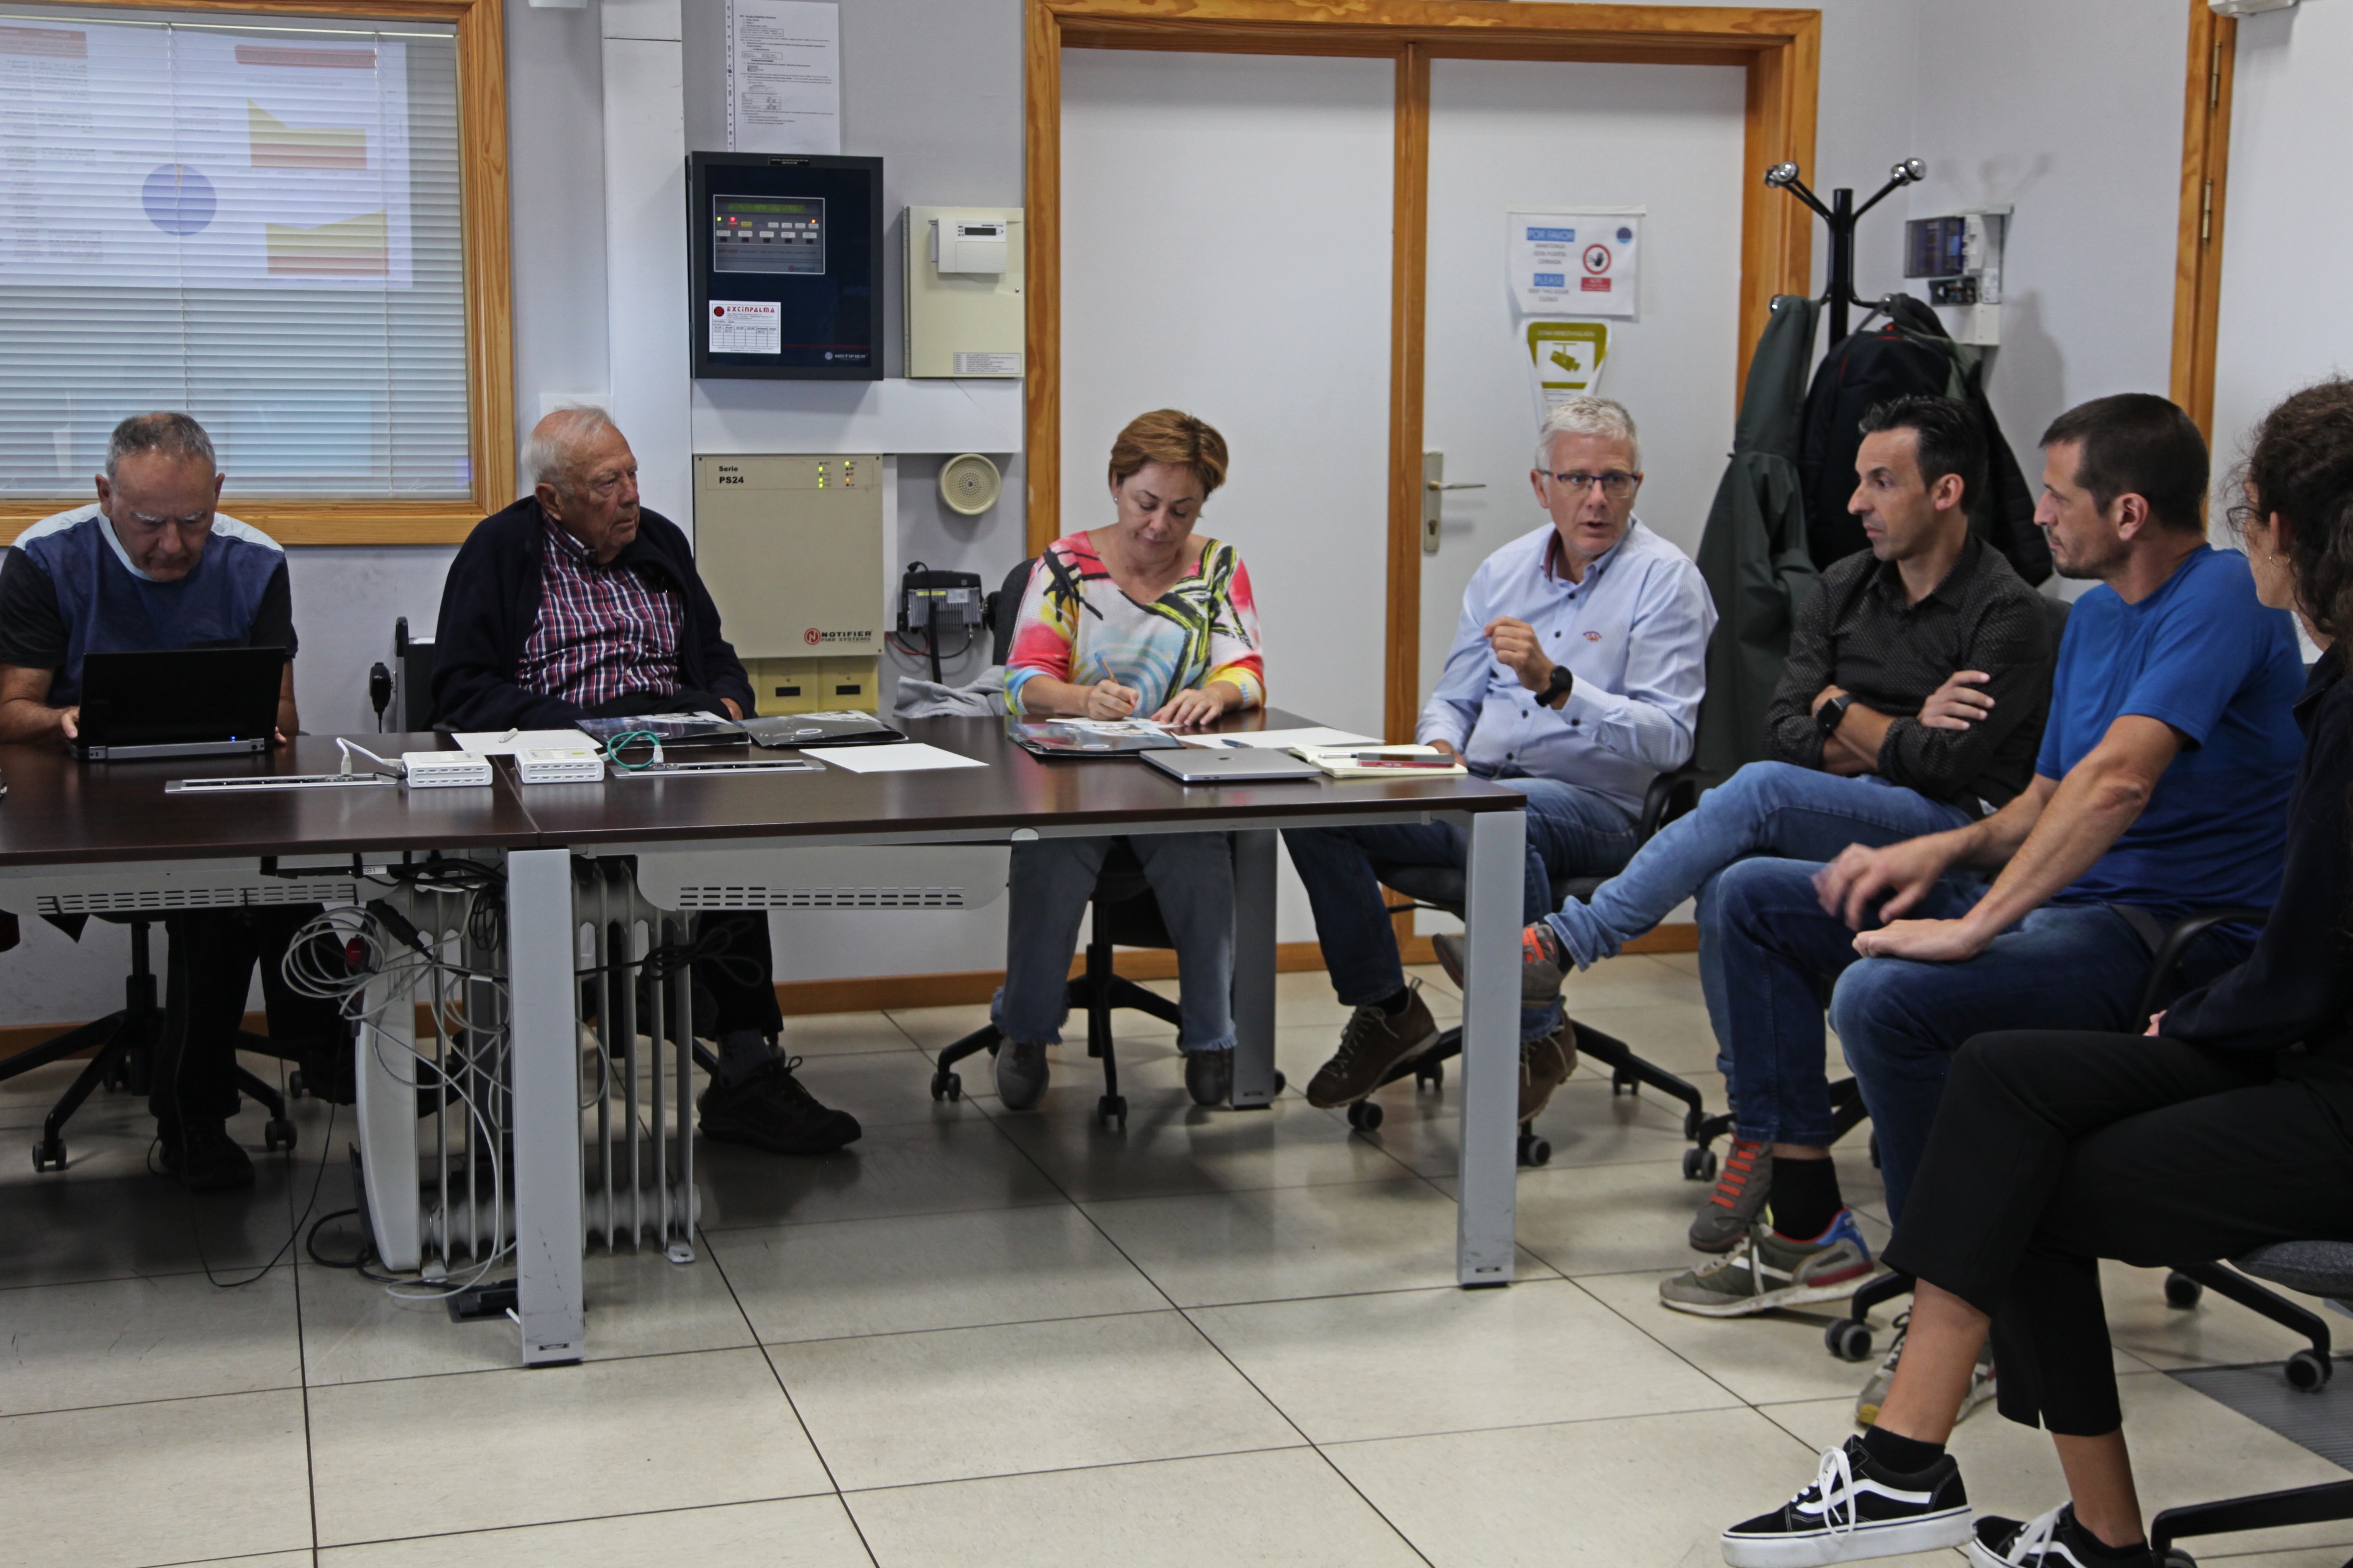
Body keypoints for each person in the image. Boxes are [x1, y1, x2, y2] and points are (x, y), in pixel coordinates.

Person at [1716, 378, 2353, 1568]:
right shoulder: (2123, 625)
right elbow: (2055, 795)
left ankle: (1944, 1419)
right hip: (2214, 974)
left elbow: (2131, 792)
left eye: (2054, 496)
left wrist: (1989, 935)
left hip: (2200, 953)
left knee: (1935, 1057)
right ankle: (1964, 1468)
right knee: (1958, 1052)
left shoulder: (2238, 614)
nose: (2036, 514)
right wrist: (1943, 856)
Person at [1487, 395, 2055, 1252]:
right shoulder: (1843, 584)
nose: (1856, 502)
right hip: (1844, 815)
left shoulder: (2005, 609)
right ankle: (1768, 1140)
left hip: (1954, 839)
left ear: (1945, 492)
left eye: (1881, 482)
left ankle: (1568, 942)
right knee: (1735, 883)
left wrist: (1840, 709)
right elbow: (1784, 727)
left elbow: (1945, 770)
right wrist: (1890, 727)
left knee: (1759, 792)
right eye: (1859, 481)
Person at [433, 405, 859, 1155]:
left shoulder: (658, 540)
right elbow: (462, 691)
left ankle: (747, 1072)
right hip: (564, 771)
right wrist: (581, 728)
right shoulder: (500, 551)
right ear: (554, 497)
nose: (630, 495)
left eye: (631, 474)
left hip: (675, 754)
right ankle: (513, 1076)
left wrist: (730, 705)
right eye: (607, 483)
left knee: (733, 846)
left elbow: (716, 652)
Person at [1284, 396, 1716, 1126]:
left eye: (1614, 480)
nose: (1596, 498)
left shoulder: (1666, 581)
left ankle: (1535, 1034)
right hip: (1479, 784)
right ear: (1541, 486)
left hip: (1601, 809)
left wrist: (1559, 685)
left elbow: (1670, 739)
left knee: (1503, 816)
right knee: (1317, 802)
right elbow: (1452, 699)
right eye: (1576, 479)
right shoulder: (1504, 570)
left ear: (1636, 486)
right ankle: (1388, 1009)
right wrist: (1440, 749)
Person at [0, 411, 345, 1191]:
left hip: (210, 792)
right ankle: (266, 1086)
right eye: (147, 522)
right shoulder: (45, 557)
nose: (172, 545)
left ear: (217, 492)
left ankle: (288, 1075)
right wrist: (64, 719)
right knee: (220, 891)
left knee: (277, 871)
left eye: (193, 520)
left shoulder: (255, 560)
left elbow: (283, 717)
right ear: (105, 495)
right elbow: (10, 711)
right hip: (83, 806)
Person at [994, 409, 1260, 1111]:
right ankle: (1025, 1030)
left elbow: (1248, 671)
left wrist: (1214, 692)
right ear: (1116, 484)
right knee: (1050, 858)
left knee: (1202, 858)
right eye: (1146, 503)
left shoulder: (1217, 567)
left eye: (1182, 510)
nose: (1160, 525)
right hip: (1072, 782)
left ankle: (1212, 1037)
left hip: (1172, 780)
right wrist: (1082, 699)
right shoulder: (1066, 565)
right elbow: (1023, 681)